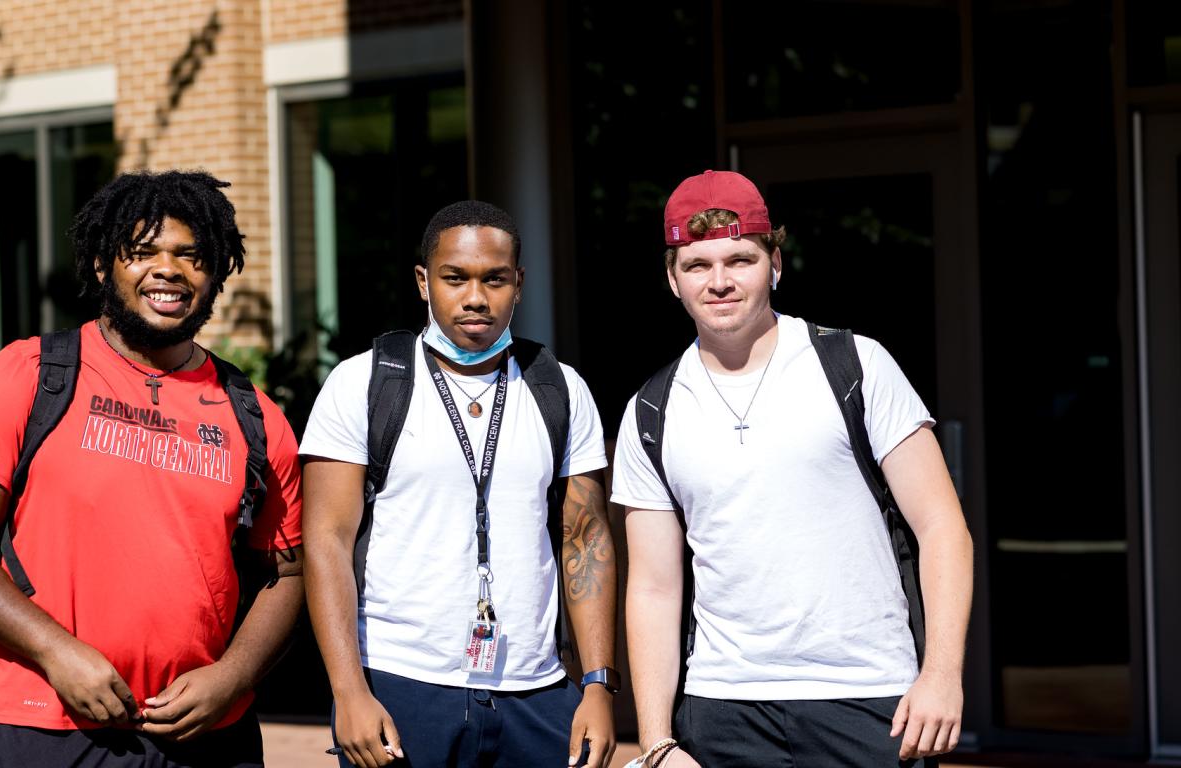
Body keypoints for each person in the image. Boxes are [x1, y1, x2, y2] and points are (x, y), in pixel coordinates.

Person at [0, 170, 304, 768]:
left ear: (217, 272)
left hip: (205, 735)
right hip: (45, 723)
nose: (168, 269)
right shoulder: (30, 376)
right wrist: (55, 652)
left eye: (192, 256)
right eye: (143, 252)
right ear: (103, 265)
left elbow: (287, 572)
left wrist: (233, 677)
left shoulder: (253, 413)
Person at [614, 170, 973, 768]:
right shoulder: (652, 409)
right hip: (723, 708)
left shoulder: (856, 365)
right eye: (698, 265)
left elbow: (943, 528)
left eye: (740, 260)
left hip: (869, 698)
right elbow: (652, 586)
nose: (720, 281)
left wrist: (941, 675)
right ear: (672, 278)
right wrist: (656, 741)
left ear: (774, 264)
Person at [301, 201, 619, 768]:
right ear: (424, 282)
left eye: (494, 279)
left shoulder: (560, 388)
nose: (476, 297)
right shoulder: (363, 382)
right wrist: (349, 692)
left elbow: (585, 539)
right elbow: (325, 541)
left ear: (518, 284)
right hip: (400, 687)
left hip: (537, 691)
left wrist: (597, 685)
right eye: (456, 278)